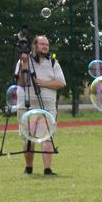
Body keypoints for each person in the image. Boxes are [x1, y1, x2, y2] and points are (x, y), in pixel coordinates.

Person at [15, 35, 66, 175]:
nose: (45, 47)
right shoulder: (23, 61)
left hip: (48, 107)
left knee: (47, 137)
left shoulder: (53, 62)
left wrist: (43, 83)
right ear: (34, 45)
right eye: (42, 44)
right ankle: (28, 167)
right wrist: (24, 62)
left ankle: (47, 169)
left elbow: (61, 83)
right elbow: (21, 82)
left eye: (47, 45)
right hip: (26, 105)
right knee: (27, 137)